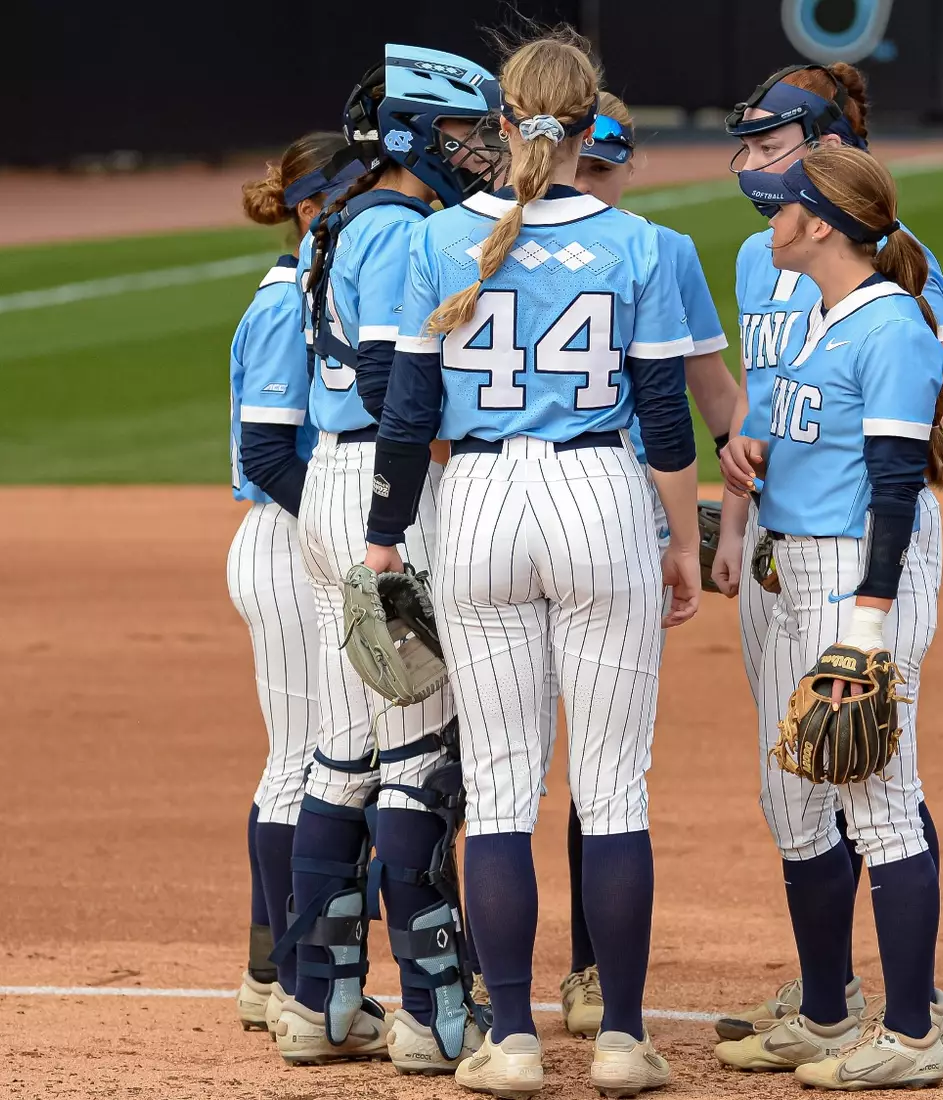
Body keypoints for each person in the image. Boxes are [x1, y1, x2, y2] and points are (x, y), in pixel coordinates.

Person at [360, 28, 701, 1098]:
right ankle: (620, 1039)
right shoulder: (649, 243)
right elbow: (666, 416)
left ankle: (508, 1039)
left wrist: (383, 536)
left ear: (503, 123)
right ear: (591, 118)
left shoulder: (430, 241)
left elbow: (408, 414)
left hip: (478, 508)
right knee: (614, 789)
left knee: (503, 787)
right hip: (601, 497)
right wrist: (682, 539)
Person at [709, 60, 943, 1041]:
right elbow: (786, 411)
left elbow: (902, 457)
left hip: (856, 561)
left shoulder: (889, 311)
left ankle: (910, 1014)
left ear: (820, 213)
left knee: (874, 781)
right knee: (799, 783)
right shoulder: (813, 306)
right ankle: (828, 1003)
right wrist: (744, 490)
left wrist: (869, 618)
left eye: (777, 159)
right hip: (789, 551)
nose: (761, 186)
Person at [271, 45, 505, 1073]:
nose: (479, 152)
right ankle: (433, 1015)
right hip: (383, 496)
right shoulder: (403, 229)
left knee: (340, 750)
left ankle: (315, 1003)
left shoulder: (342, 220)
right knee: (416, 759)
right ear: (413, 135)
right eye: (460, 135)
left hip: (326, 487)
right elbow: (385, 385)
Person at [546, 88, 742, 1040]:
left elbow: (714, 397)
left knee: (504, 770)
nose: (598, 179)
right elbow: (704, 405)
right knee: (600, 762)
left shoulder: (475, 236)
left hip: (500, 516)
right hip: (612, 516)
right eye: (592, 164)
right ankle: (585, 983)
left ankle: (496, 982)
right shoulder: (653, 248)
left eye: (599, 165)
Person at [226, 131, 360, 1036]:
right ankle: (278, 977)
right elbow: (268, 450)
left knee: (322, 759)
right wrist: (341, 532)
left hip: (312, 537)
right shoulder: (284, 305)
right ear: (312, 209)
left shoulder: (321, 290)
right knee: (302, 761)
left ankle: (275, 970)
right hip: (288, 541)